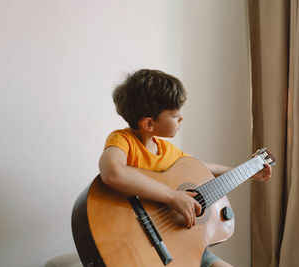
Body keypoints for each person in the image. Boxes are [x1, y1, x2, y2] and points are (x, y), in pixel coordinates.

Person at [98, 69, 271, 267]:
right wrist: (173, 197)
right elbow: (112, 172)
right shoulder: (123, 140)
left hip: (181, 245)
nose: (181, 119)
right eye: (175, 115)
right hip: (138, 246)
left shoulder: (166, 150)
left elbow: (203, 169)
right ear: (148, 123)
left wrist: (248, 172)